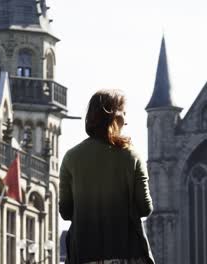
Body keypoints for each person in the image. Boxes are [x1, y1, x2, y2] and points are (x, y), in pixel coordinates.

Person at [59, 89, 154, 264]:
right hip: (127, 255)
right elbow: (145, 208)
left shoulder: (70, 157)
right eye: (124, 113)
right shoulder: (132, 156)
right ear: (115, 117)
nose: (126, 120)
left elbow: (65, 211)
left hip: (84, 255)